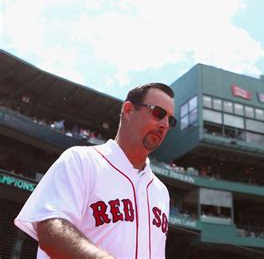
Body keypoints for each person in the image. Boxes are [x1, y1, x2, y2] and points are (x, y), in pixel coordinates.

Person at [15, 83, 177, 258]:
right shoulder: (80, 160)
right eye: (158, 113)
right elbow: (51, 231)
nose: (165, 124)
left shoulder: (160, 191)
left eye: (170, 120)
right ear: (129, 110)